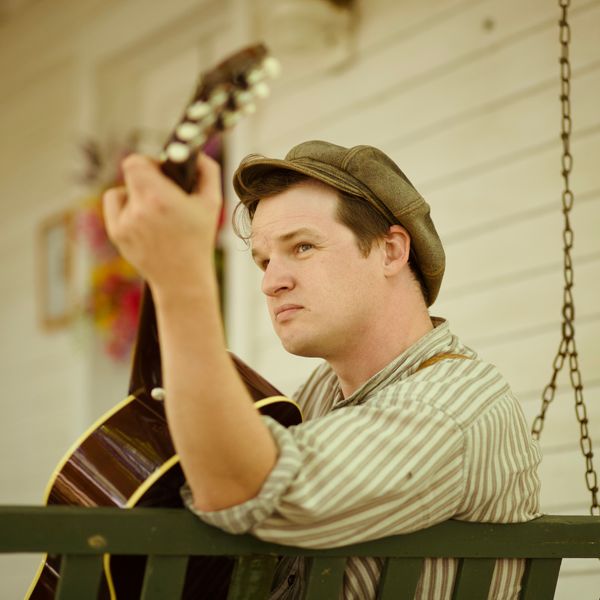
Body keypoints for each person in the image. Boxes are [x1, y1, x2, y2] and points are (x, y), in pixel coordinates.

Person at [103, 140, 541, 599]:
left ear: (391, 251)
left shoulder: (453, 407)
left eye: (303, 246)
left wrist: (179, 276)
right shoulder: (322, 392)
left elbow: (249, 491)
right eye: (265, 261)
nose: (272, 282)